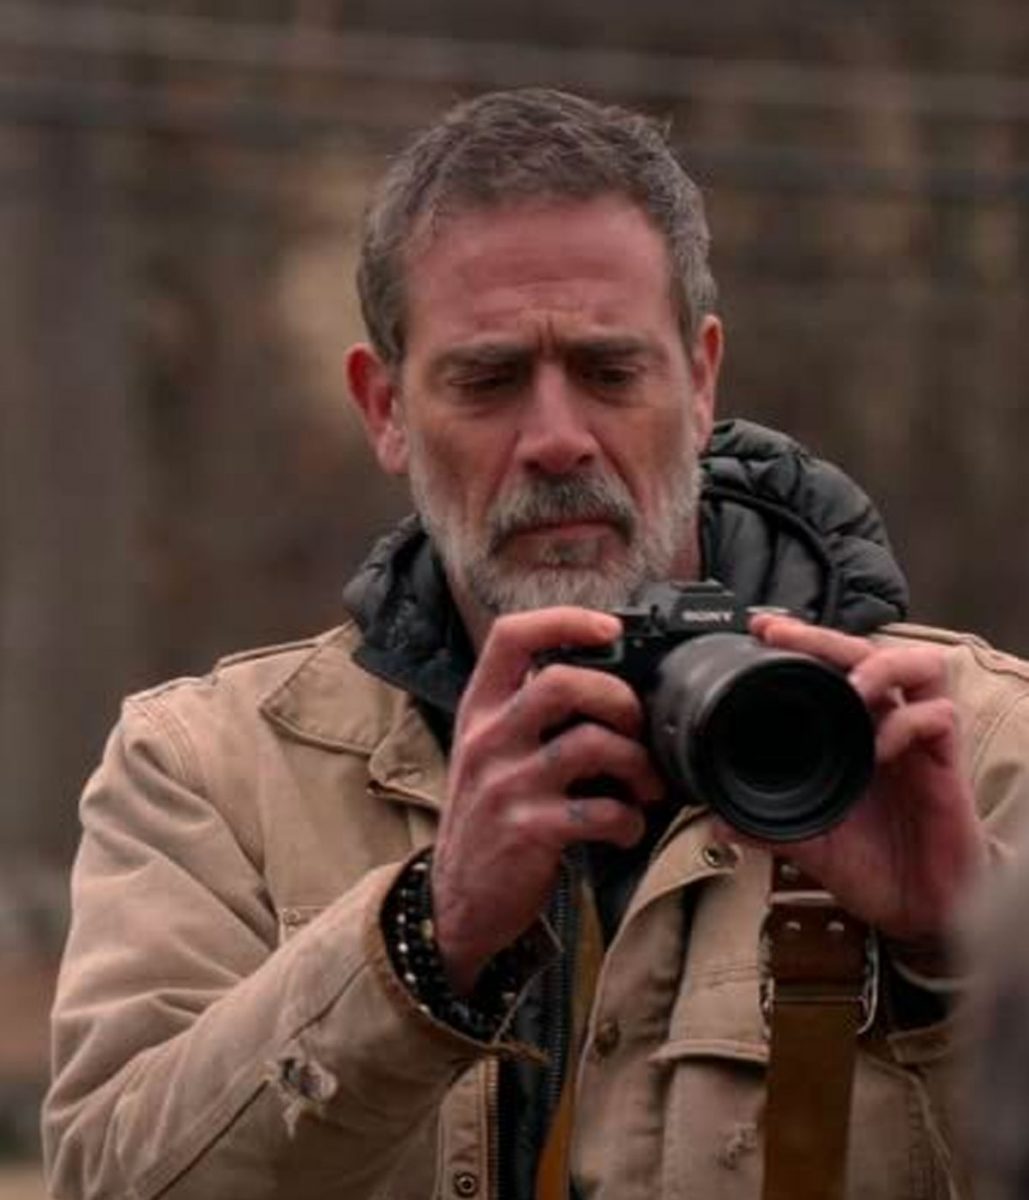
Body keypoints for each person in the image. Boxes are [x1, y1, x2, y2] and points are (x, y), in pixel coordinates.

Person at [42, 88, 1029, 1200]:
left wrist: (959, 953)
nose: (558, 440)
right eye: (489, 379)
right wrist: (425, 937)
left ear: (700, 381)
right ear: (385, 409)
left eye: (611, 372)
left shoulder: (974, 750)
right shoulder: (213, 775)